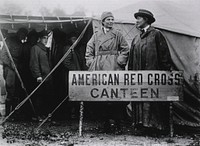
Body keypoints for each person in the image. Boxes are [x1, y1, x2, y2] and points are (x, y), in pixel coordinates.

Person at [128, 9, 174, 132]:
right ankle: (140, 125)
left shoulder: (156, 34)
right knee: (139, 97)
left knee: (153, 99)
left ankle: (155, 126)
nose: (136, 21)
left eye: (139, 18)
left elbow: (164, 54)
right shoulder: (136, 38)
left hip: (153, 75)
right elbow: (131, 59)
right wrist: (131, 72)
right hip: (138, 76)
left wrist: (165, 71)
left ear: (146, 19)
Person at [85, 12, 129, 134]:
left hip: (114, 66)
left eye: (112, 19)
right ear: (102, 21)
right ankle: (105, 123)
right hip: (99, 66)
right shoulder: (96, 35)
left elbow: (125, 48)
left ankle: (118, 124)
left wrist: (120, 61)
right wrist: (91, 61)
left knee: (116, 95)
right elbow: (89, 49)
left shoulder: (118, 34)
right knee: (101, 94)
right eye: (108, 19)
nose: (110, 21)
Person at [1, 28, 28, 120]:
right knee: (11, 90)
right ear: (18, 33)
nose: (23, 36)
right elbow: (3, 55)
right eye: (22, 34)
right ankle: (8, 114)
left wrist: (19, 66)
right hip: (10, 70)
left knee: (18, 91)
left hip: (18, 69)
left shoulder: (21, 44)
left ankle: (16, 113)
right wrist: (10, 64)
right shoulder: (9, 41)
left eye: (24, 35)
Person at [29, 30, 54, 121]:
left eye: (47, 38)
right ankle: (38, 115)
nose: (46, 40)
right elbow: (34, 63)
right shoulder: (35, 48)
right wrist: (37, 75)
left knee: (46, 97)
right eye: (44, 38)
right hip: (40, 77)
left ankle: (44, 114)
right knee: (39, 97)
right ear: (39, 39)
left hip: (47, 77)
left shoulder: (45, 49)